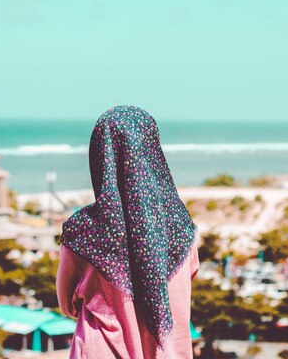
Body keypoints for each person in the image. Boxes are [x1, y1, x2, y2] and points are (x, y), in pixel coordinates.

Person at [57, 105, 199, 359]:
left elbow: (67, 305)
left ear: (100, 155)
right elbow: (185, 284)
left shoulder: (82, 231)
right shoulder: (182, 227)